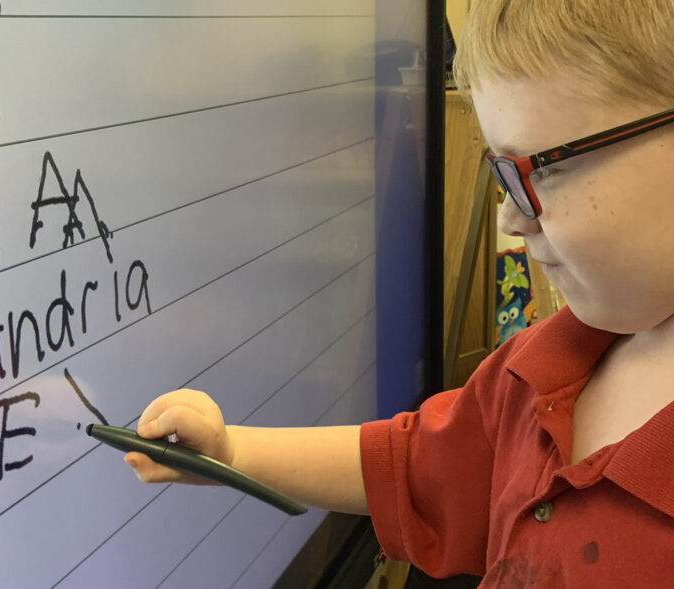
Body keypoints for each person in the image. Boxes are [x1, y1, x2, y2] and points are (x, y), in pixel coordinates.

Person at [122, 1, 674, 586]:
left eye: (544, 171)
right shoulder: (544, 369)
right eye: (503, 173)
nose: (511, 216)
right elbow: (414, 465)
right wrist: (232, 452)